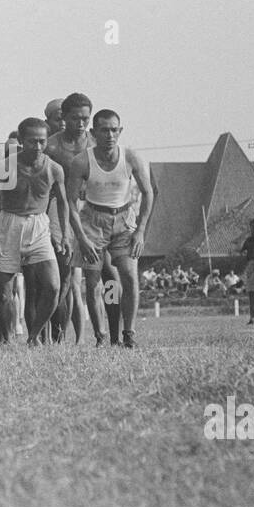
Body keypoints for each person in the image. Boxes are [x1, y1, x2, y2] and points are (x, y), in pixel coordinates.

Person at [65, 108, 153, 348]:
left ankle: (129, 333)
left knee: (128, 275)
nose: (110, 135)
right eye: (104, 130)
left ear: (120, 131)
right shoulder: (82, 161)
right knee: (93, 281)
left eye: (114, 130)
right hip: (93, 220)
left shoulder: (131, 158)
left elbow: (148, 193)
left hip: (124, 219)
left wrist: (141, 230)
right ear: (94, 132)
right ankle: (101, 335)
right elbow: (71, 201)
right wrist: (81, 238)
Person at [0, 116, 69, 342]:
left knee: (52, 287)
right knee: (2, 292)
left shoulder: (55, 169)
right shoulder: (7, 166)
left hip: (39, 226)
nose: (37, 147)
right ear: (21, 141)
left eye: (42, 141)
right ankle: (7, 339)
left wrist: (66, 235)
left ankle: (34, 336)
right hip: (9, 223)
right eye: (32, 141)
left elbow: (64, 203)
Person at [46, 94, 93, 343]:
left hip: (92, 209)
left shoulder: (96, 143)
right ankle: (59, 334)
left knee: (90, 277)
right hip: (60, 209)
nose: (81, 123)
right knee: (65, 275)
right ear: (64, 119)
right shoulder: (50, 146)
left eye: (85, 118)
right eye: (75, 118)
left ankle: (86, 337)